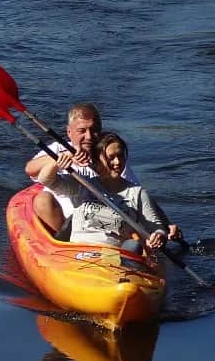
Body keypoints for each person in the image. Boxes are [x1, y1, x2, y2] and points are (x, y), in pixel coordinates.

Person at [24, 102, 181, 240]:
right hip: (70, 221)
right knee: (43, 199)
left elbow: (138, 195)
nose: (89, 136)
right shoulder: (59, 148)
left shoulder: (111, 158)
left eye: (94, 130)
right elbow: (31, 169)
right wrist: (62, 158)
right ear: (69, 132)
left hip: (106, 220)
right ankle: (63, 245)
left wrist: (166, 225)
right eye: (82, 130)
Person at [36, 132, 168, 255]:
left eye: (120, 156)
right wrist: (57, 162)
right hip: (79, 253)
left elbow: (156, 227)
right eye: (110, 158)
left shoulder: (137, 193)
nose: (117, 162)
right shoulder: (83, 185)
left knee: (133, 246)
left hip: (112, 257)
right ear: (96, 160)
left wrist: (158, 235)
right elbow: (45, 179)